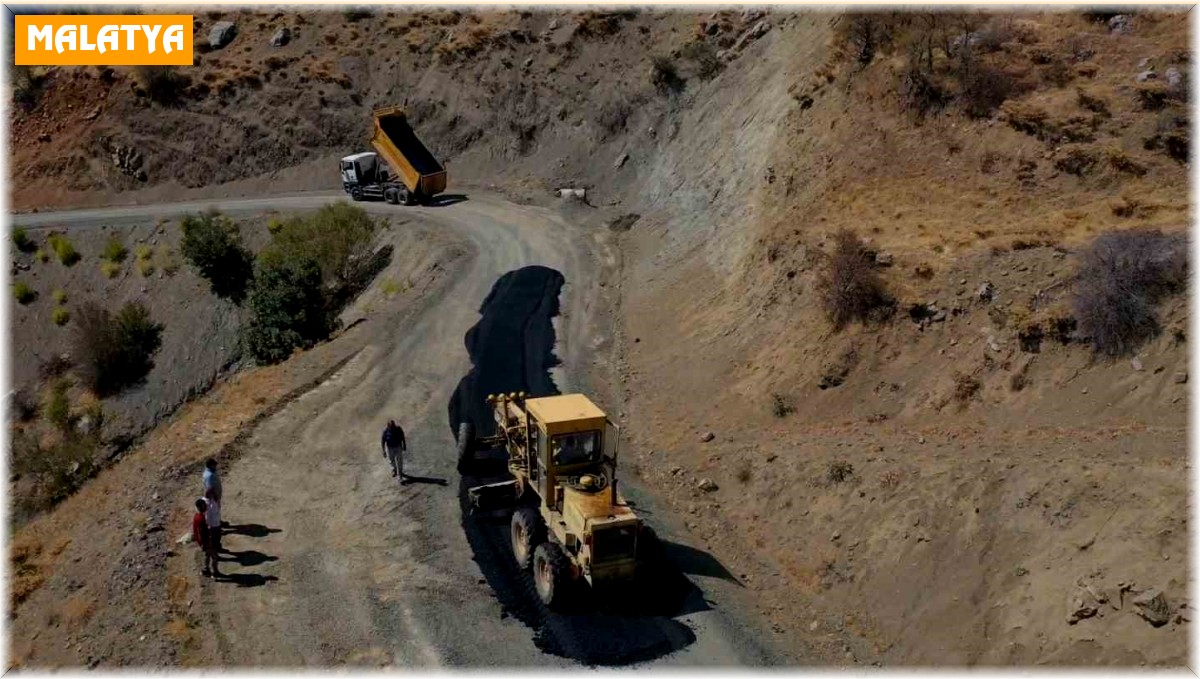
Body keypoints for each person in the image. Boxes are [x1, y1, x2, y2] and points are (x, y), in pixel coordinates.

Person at [193, 498, 221, 578]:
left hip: (202, 543)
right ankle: (215, 573)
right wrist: (208, 543)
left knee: (207, 555)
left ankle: (206, 570)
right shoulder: (201, 519)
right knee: (215, 557)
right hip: (206, 543)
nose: (206, 507)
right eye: (204, 506)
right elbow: (203, 533)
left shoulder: (196, 516)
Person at [204, 487, 224, 555]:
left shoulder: (212, 501)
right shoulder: (209, 503)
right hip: (213, 524)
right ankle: (216, 549)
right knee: (215, 537)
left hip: (215, 522)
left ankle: (217, 547)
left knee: (217, 536)